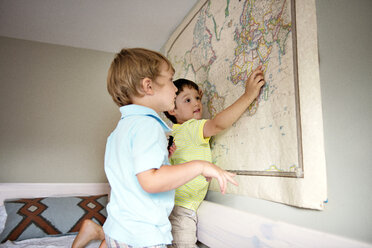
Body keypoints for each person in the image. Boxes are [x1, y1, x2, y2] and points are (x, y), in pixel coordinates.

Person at [72, 47, 238, 248]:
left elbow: (128, 174)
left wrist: (163, 159)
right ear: (148, 86)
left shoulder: (119, 131)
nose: (174, 88)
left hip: (118, 230)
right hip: (142, 236)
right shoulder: (147, 125)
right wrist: (200, 166)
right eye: (170, 80)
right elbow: (150, 181)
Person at [163, 66, 265, 248]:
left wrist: (189, 98)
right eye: (187, 100)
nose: (196, 103)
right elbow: (218, 124)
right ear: (172, 110)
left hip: (173, 206)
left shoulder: (174, 134)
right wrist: (248, 95)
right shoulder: (191, 127)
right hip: (182, 209)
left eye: (197, 98)